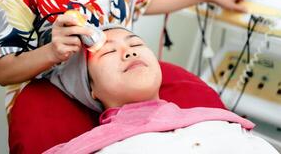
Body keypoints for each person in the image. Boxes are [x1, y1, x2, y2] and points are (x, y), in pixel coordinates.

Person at [0, 0, 253, 115]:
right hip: (59, 97)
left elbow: (142, 1)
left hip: (122, 92)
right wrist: (52, 53)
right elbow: (3, 72)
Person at [44, 25, 278, 154]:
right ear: (90, 89)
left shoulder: (220, 123)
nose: (130, 52)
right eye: (107, 52)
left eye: (136, 44)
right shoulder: (94, 148)